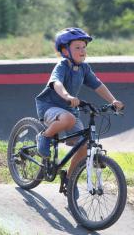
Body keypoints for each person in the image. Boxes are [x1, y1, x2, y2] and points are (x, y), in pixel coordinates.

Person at [35, 27, 124, 192]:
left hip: (70, 109)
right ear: (65, 51)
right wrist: (67, 96)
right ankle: (44, 136)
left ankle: (69, 179)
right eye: (77, 47)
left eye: (84, 47)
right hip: (50, 106)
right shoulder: (62, 66)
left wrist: (113, 100)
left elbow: (97, 85)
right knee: (68, 118)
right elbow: (57, 84)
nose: (82, 50)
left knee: (84, 146)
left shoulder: (84, 68)